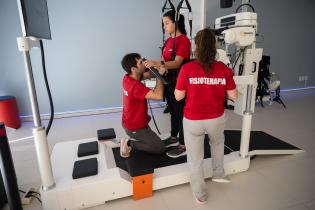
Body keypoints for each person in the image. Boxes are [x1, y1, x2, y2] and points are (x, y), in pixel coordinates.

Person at [174, 28, 238, 204]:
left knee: (195, 159)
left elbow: (178, 96)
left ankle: (200, 194)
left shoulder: (187, 68)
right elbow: (234, 96)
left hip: (193, 121)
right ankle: (218, 173)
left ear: (196, 46)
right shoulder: (223, 69)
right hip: (215, 119)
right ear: (215, 45)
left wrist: (192, 89)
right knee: (217, 143)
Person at [144, 10, 191, 158]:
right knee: (172, 111)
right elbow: (168, 63)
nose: (164, 26)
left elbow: (177, 62)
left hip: (179, 82)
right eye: (163, 23)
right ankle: (173, 137)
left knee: (180, 113)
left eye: (167, 23)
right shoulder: (169, 41)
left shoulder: (184, 40)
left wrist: (157, 63)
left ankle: (184, 145)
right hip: (168, 81)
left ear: (176, 22)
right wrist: (161, 67)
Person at [120, 53, 166, 158]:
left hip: (129, 121)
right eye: (141, 63)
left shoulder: (127, 78)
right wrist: (160, 76)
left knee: (147, 118)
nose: (144, 64)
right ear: (133, 69)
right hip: (135, 127)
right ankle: (128, 143)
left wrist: (157, 66)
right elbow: (158, 96)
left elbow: (148, 75)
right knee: (159, 148)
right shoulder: (135, 86)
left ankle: (140, 134)